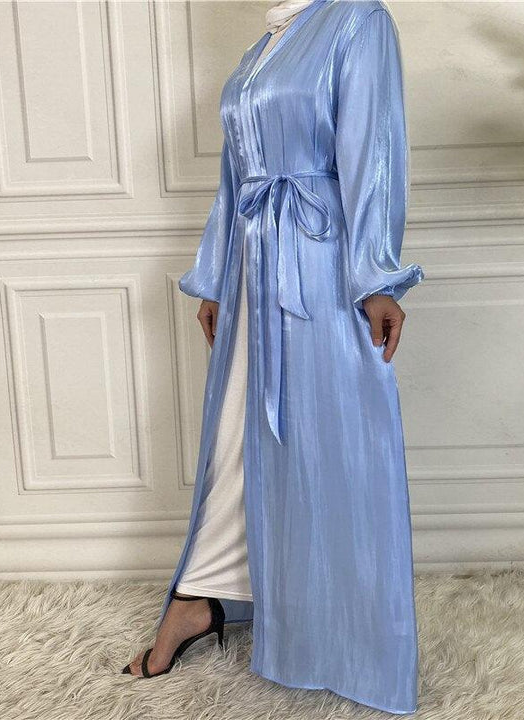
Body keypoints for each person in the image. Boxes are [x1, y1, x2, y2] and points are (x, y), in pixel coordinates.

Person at [122, 0, 424, 714]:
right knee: (239, 437)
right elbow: (237, 179)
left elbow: (373, 152)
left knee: (329, 447)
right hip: (251, 273)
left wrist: (376, 277)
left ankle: (346, 638)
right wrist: (216, 275)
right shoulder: (264, 44)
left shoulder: (357, 20)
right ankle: (202, 596)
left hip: (319, 274)